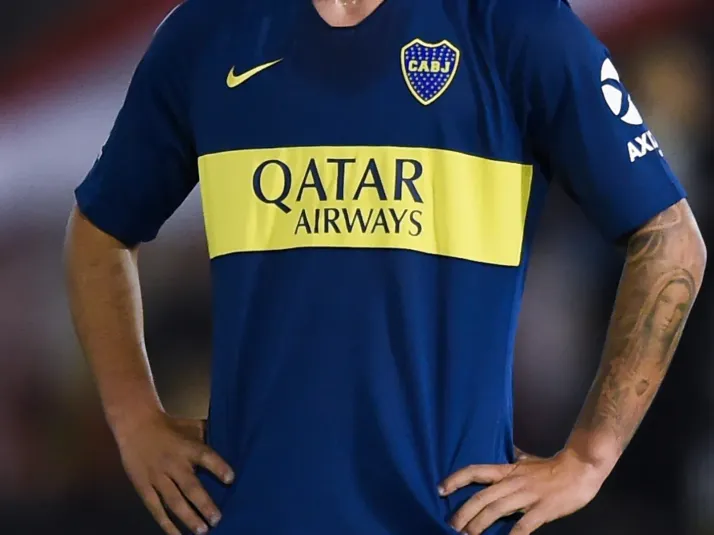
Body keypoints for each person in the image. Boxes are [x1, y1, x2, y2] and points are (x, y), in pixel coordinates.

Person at [63, 0, 707, 534]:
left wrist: (590, 458)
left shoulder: (518, 25)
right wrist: (134, 420)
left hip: (449, 517)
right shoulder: (208, 30)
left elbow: (671, 240)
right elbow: (99, 231)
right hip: (253, 512)